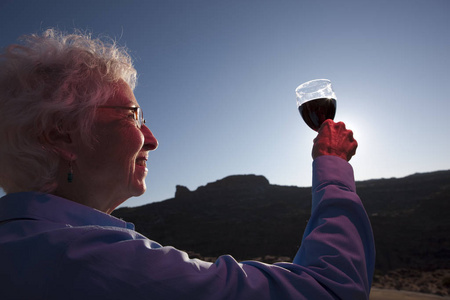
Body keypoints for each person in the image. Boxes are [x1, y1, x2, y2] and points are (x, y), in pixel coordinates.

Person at [0, 29, 374, 300]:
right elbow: (329, 290)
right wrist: (333, 164)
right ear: (61, 135)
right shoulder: (96, 262)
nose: (152, 138)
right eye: (132, 116)